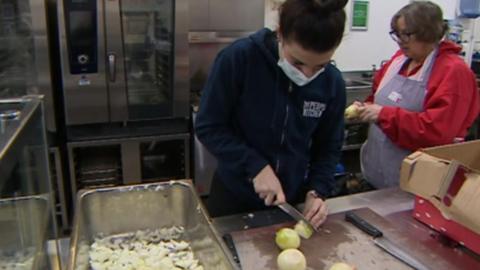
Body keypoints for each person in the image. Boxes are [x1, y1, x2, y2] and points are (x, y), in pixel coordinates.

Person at [195, 0, 348, 229]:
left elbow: (328, 146)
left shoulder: (332, 83)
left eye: (320, 66)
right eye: (297, 62)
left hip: (291, 202)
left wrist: (317, 191)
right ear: (280, 34)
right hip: (233, 198)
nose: (306, 75)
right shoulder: (239, 59)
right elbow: (209, 126)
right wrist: (255, 166)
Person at [353, 1, 479, 189]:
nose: (400, 40)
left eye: (407, 34)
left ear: (428, 32)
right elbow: (376, 97)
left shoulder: (453, 72)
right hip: (377, 175)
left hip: (418, 185)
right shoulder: (397, 62)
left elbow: (437, 132)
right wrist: (365, 108)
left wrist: (382, 115)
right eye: (397, 34)